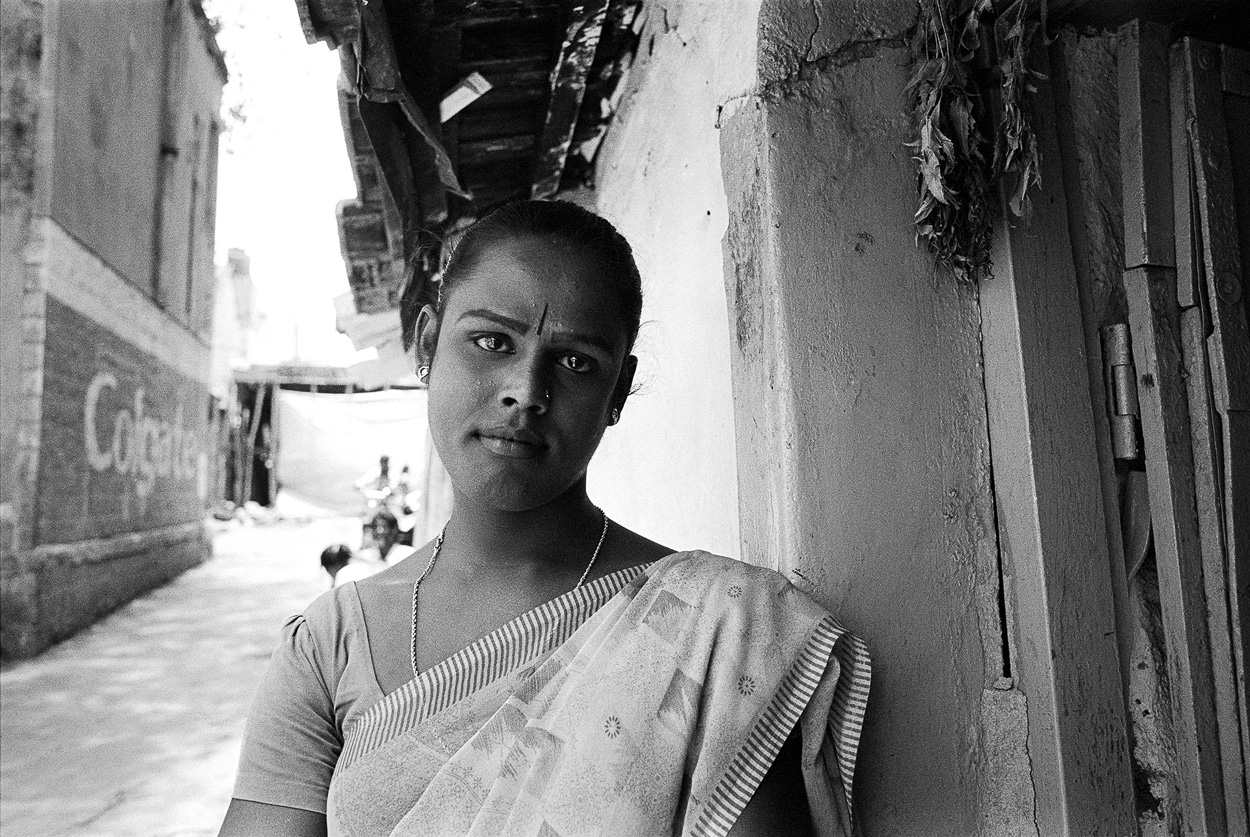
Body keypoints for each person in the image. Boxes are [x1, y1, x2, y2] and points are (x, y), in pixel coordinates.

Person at [219, 200, 870, 837]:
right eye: (491, 341)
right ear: (426, 344)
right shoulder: (328, 650)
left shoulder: (719, 632)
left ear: (617, 390)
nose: (526, 391)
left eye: (576, 362)